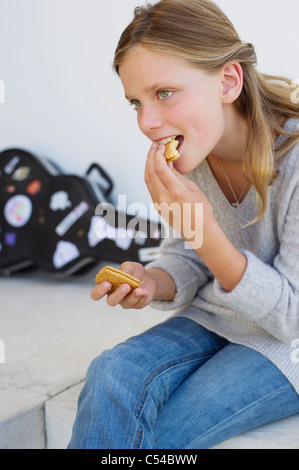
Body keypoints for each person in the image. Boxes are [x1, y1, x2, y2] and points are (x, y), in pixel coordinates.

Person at [68, 0, 299, 449]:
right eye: (136, 102)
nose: (147, 122)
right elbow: (187, 256)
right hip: (218, 317)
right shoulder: (193, 153)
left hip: (289, 343)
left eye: (164, 93)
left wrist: (207, 232)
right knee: (111, 373)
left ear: (228, 81)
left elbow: (291, 317)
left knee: (157, 436)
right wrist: (154, 280)